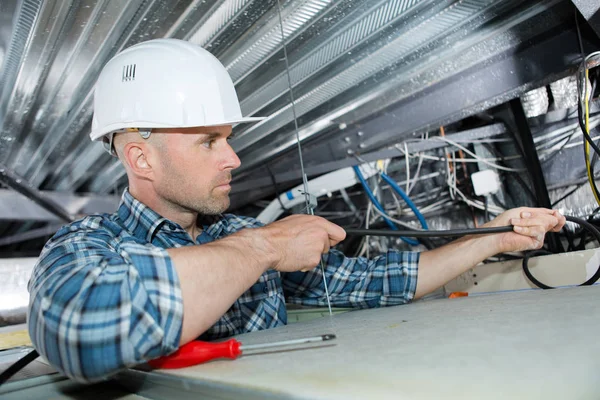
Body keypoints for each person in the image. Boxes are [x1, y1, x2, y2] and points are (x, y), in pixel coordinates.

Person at [27, 38, 566, 382]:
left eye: (228, 138)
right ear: (141, 158)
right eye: (209, 142)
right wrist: (265, 246)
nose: (234, 158)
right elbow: (83, 330)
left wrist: (492, 237)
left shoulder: (239, 232)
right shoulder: (87, 247)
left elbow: (386, 280)